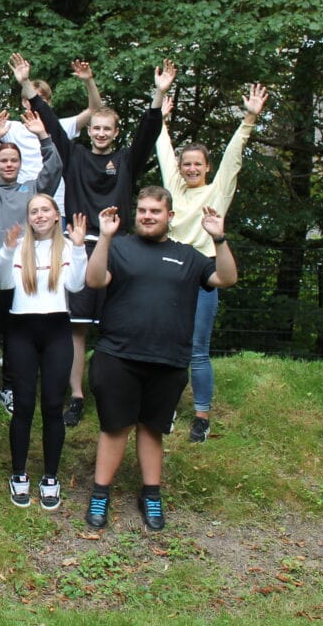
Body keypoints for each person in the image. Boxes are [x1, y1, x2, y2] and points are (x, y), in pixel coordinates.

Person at [22, 54, 175, 427]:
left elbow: (148, 133)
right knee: (76, 326)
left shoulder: (125, 161)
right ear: (89, 131)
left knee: (122, 325)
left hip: (120, 249)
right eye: (96, 128)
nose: (101, 133)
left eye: (107, 129)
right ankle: (75, 396)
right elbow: (49, 123)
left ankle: (126, 395)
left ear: (115, 132)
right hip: (80, 246)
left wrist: (158, 95)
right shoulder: (73, 155)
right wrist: (26, 83)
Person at [83, 190, 238, 531]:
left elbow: (226, 278)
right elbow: (93, 280)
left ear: (170, 215)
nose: (147, 215)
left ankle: (151, 494)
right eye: (142, 210)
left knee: (153, 429)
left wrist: (220, 238)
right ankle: (100, 493)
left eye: (156, 210)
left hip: (168, 360)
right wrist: (105, 238)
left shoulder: (189, 256)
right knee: (114, 427)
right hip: (117, 355)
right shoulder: (119, 247)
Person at [157, 84, 268, 442]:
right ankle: (166, 407)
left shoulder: (217, 190)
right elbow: (162, 150)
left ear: (207, 167)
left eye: (197, 164)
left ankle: (201, 416)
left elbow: (234, 155)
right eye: (186, 164)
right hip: (171, 272)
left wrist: (249, 118)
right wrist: (160, 117)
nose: (190, 169)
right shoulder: (173, 187)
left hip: (204, 272)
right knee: (167, 344)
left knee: (198, 350)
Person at [0, 197, 87, 510]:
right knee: (22, 404)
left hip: (57, 330)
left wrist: (79, 247)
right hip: (21, 329)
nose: (39, 215)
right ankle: (18, 473)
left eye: (45, 210)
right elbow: (1, 281)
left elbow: (76, 285)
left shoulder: (68, 247)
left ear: (57, 215)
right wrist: (6, 250)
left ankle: (50, 477)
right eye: (34, 211)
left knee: (51, 404)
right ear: (29, 218)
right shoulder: (19, 246)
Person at [0, 110, 61, 414]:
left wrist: (43, 137)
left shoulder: (31, 190)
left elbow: (55, 168)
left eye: (13, 161)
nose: (8, 165)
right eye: (3, 160)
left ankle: (9, 387)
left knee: (16, 333)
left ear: (20, 164)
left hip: (24, 272)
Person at [0, 56, 102, 215]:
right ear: (24, 102)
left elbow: (95, 110)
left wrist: (89, 80)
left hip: (55, 204)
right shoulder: (12, 129)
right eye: (31, 99)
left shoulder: (61, 127)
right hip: (21, 203)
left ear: (49, 103)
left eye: (42, 100)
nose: (37, 103)